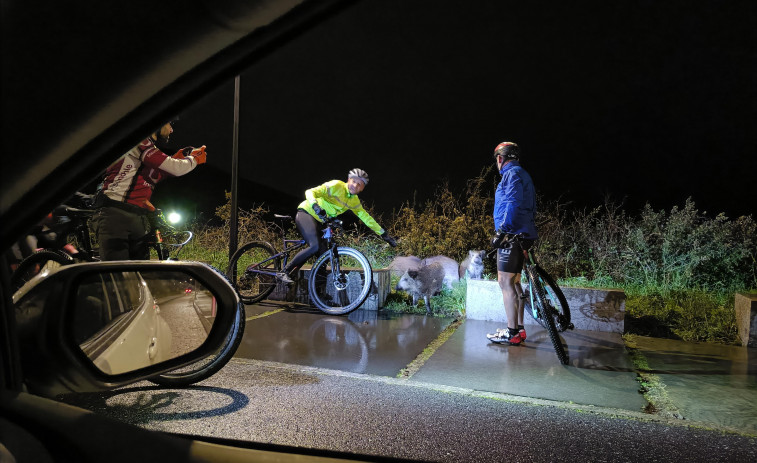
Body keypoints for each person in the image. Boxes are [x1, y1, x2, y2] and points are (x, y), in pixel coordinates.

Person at [92, 120, 207, 260]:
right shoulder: (139, 141)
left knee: (141, 272)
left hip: (136, 215)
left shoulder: (147, 148)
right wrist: (193, 159)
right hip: (115, 212)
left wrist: (175, 158)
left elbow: (153, 176)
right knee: (117, 275)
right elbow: (176, 169)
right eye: (169, 124)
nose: (171, 130)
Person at [277, 168, 397, 284]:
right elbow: (310, 191)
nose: (355, 185)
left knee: (324, 255)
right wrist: (315, 205)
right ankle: (284, 271)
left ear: (362, 188)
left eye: (359, 184)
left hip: (321, 221)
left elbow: (367, 218)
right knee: (315, 246)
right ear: (348, 180)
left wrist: (384, 234)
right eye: (354, 181)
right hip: (307, 212)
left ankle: (318, 294)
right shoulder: (336, 185)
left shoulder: (354, 201)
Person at [486, 141, 538, 345]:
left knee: (505, 282)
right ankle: (519, 329)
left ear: (500, 158)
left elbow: (511, 203)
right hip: (525, 233)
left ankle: (511, 332)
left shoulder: (510, 175)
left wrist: (502, 232)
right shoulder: (523, 174)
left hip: (512, 234)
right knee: (515, 283)